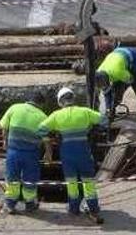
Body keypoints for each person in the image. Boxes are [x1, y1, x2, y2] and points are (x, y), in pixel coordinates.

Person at [39, 87, 108, 223]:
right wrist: (89, 128)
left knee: (71, 183)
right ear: (73, 99)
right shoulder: (85, 112)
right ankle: (93, 208)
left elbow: (41, 129)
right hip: (83, 152)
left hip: (67, 154)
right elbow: (104, 120)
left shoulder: (56, 115)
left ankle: (74, 208)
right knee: (88, 182)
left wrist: (50, 140)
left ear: (60, 102)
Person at [0, 95, 49, 214]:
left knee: (12, 177)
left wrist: (5, 141)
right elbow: (46, 140)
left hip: (13, 151)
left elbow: (4, 127)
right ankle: (29, 204)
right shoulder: (43, 116)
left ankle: (10, 205)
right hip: (31, 154)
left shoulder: (14, 107)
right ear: (41, 104)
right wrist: (48, 154)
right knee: (30, 179)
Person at [95, 46, 136, 131]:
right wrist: (109, 109)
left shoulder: (118, 72)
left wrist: (120, 91)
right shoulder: (99, 72)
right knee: (115, 94)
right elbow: (106, 93)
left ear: (108, 79)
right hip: (118, 55)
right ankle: (111, 112)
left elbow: (130, 79)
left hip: (134, 58)